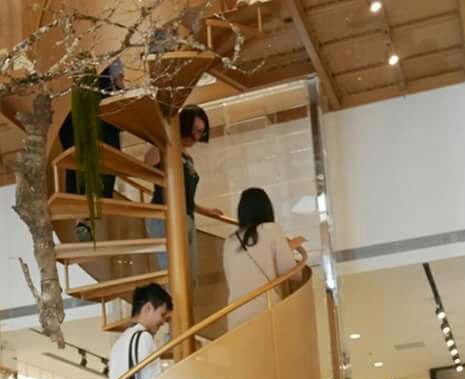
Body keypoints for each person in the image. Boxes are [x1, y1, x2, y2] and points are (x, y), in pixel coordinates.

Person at [144, 106, 222, 273]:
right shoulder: (165, 149)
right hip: (165, 216)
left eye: (201, 132)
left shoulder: (187, 157)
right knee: (175, 270)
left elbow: (185, 197)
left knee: (188, 273)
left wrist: (206, 211)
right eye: (195, 130)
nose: (197, 137)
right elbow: (147, 163)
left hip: (185, 217)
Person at [56, 59, 126, 241]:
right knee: (101, 156)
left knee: (77, 159)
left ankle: (82, 217)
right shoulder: (106, 54)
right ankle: (86, 214)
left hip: (71, 104)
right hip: (95, 106)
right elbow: (118, 80)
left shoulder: (65, 59)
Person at [222, 187, 306, 331]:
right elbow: (293, 274)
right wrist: (289, 248)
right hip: (265, 310)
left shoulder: (229, 242)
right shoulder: (272, 230)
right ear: (267, 208)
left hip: (235, 317)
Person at [108, 283, 172, 379]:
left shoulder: (120, 341)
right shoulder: (143, 337)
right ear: (148, 307)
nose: (163, 322)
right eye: (162, 314)